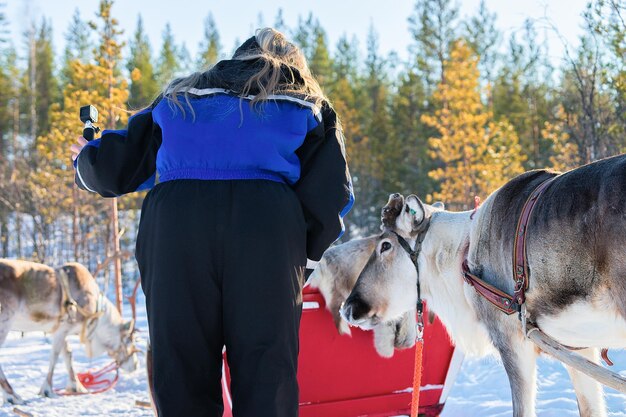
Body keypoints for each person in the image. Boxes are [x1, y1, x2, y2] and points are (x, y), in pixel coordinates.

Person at [70, 28, 354, 417]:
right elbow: (333, 193)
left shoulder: (181, 96)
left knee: (182, 367)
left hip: (177, 226)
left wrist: (85, 161)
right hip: (266, 228)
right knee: (266, 372)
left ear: (236, 60)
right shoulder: (307, 105)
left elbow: (115, 165)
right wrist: (300, 260)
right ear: (294, 67)